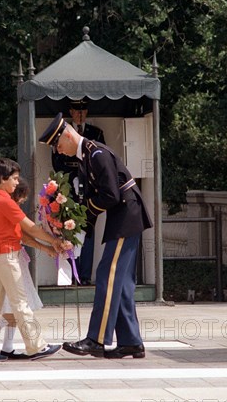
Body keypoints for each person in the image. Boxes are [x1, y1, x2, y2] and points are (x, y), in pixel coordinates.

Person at [39, 112, 152, 359]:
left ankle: (97, 339)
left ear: (68, 135)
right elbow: (95, 200)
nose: (59, 151)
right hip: (123, 218)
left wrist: (84, 215)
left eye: (58, 145)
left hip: (126, 218)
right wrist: (77, 231)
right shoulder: (87, 157)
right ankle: (131, 341)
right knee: (120, 282)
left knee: (107, 276)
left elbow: (110, 195)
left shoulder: (96, 154)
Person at [0, 158, 62, 362]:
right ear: (2, 179)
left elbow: (20, 233)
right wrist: (55, 241)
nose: (16, 182)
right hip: (6, 255)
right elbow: (30, 227)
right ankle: (36, 346)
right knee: (19, 301)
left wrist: (47, 245)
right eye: (13, 178)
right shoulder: (4, 201)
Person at [52, 99, 106, 286]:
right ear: (71, 112)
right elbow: (57, 163)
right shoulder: (63, 134)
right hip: (69, 191)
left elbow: (99, 162)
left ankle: (84, 276)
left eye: (83, 110)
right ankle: (71, 274)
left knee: (88, 231)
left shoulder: (96, 133)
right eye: (77, 110)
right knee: (69, 230)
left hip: (89, 190)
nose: (80, 114)